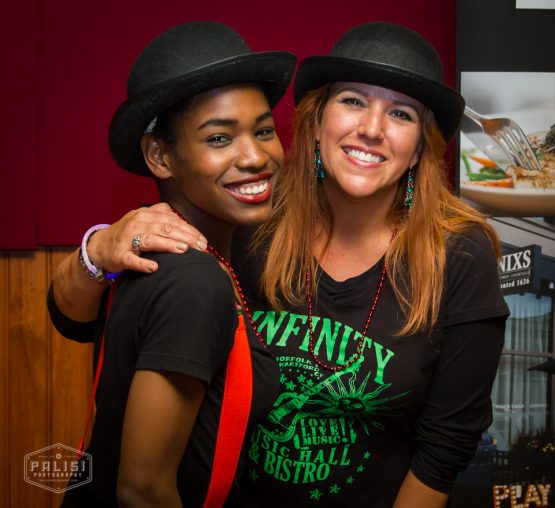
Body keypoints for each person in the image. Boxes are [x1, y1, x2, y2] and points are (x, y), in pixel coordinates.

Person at [49, 22, 509, 507]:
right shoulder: (253, 216)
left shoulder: (458, 253)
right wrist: (96, 250)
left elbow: (445, 446)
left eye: (400, 113)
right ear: (317, 121)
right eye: (353, 101)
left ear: (419, 147)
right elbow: (79, 320)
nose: (372, 129)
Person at [53, 21, 296, 507]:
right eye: (219, 138)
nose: (256, 156)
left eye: (264, 130)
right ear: (160, 157)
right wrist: (95, 248)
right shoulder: (193, 279)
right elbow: (142, 491)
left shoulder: (176, 251)